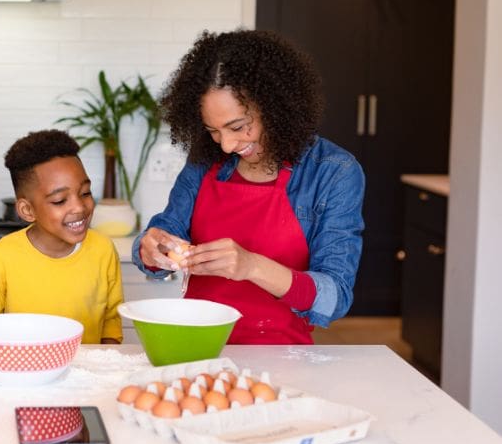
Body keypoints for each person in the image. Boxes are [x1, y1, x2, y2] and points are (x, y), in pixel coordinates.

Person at [133, 29, 364, 344]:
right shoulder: (204, 162)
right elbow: (166, 230)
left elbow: (335, 298)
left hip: (282, 355)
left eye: (238, 127)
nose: (226, 145)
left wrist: (252, 265)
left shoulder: (332, 172)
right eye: (213, 131)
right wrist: (152, 249)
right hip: (198, 346)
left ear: (275, 106)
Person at [0, 130, 124, 344]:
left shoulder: (103, 249)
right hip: (23, 373)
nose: (79, 207)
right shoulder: (1, 257)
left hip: (87, 373)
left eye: (85, 193)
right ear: (27, 210)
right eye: (60, 200)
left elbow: (111, 322)